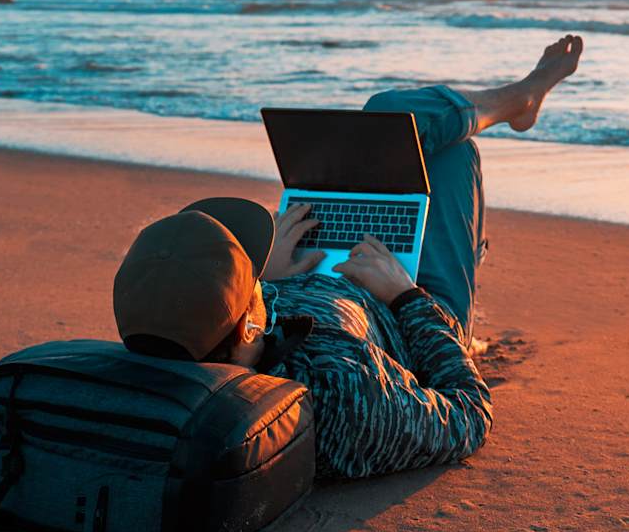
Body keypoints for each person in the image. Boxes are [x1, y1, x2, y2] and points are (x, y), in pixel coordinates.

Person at [111, 35, 583, 479]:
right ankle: (520, 99)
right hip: (413, 308)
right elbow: (468, 416)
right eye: (248, 280)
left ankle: (516, 101)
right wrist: (404, 296)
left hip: (320, 282)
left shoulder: (178, 336)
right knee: (441, 147)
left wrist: (270, 280)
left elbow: (214, 336)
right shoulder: (340, 395)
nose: (254, 278)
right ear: (247, 327)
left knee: (390, 126)